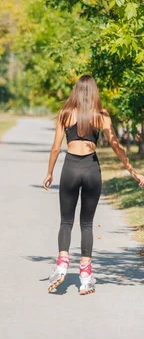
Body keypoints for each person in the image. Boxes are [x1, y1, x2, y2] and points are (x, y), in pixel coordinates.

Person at [43, 75, 144, 294]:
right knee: (87, 223)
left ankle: (61, 264)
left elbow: (55, 148)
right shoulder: (102, 116)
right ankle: (86, 276)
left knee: (66, 220)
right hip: (91, 169)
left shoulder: (65, 114)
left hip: (70, 168)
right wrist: (133, 171)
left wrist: (49, 173)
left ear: (76, 91)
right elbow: (117, 146)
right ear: (94, 92)